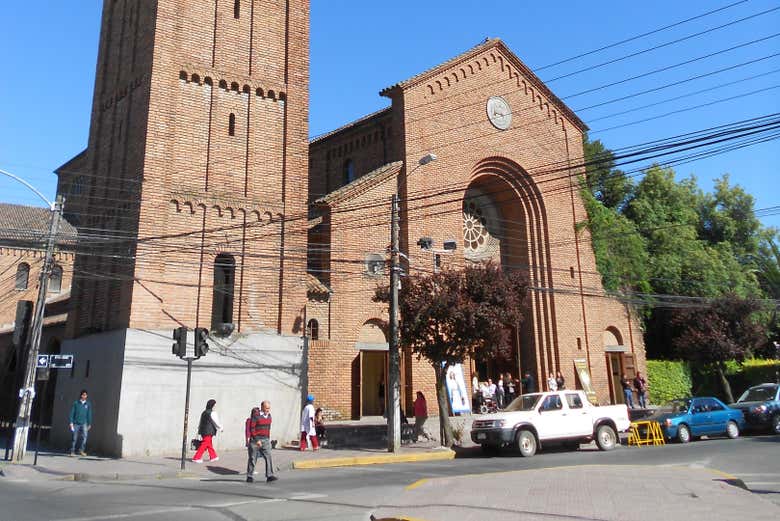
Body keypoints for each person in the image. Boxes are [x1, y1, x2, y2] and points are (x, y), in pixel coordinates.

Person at [245, 401, 277, 483]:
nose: (268, 410)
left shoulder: (269, 416)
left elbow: (268, 428)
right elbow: (252, 428)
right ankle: (249, 476)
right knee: (252, 458)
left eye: (269, 408)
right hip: (256, 440)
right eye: (266, 408)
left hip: (265, 440)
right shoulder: (256, 416)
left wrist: (268, 438)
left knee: (268, 457)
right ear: (262, 407)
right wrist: (256, 440)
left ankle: (269, 475)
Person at [193, 399, 223, 463]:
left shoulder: (204, 412)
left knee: (209, 444)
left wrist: (199, 430)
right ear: (212, 405)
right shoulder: (212, 413)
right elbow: (216, 422)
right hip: (208, 431)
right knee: (204, 444)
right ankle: (196, 457)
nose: (215, 407)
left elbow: (200, 421)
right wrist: (220, 428)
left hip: (203, 431)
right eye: (214, 405)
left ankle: (213, 456)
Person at [68, 389, 93, 457]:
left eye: (85, 395)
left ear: (86, 396)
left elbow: (89, 414)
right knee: (74, 437)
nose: (84, 396)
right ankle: (72, 451)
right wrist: (71, 422)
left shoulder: (88, 404)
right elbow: (72, 413)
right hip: (76, 423)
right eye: (83, 395)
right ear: (81, 395)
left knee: (84, 437)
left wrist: (89, 423)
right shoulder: (76, 403)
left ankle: (81, 450)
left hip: (84, 423)